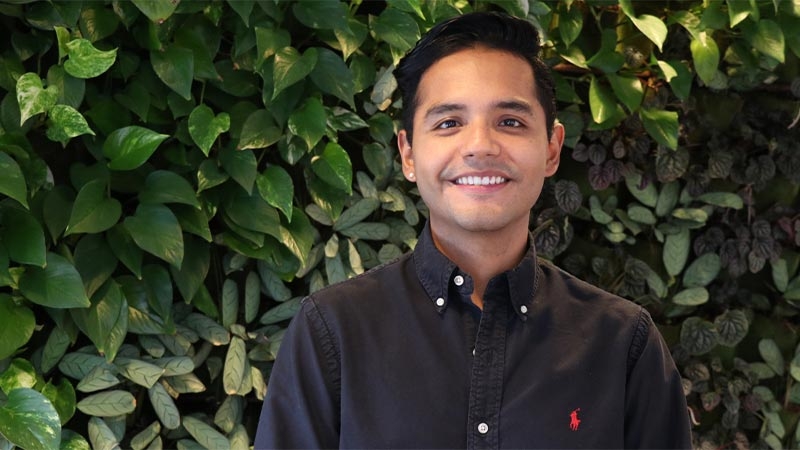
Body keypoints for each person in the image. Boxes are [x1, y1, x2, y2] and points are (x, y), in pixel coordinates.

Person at [254, 11, 693, 449]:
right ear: (408, 152)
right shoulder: (334, 332)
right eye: (448, 123)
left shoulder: (621, 344)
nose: (480, 146)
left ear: (552, 149)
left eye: (510, 122)